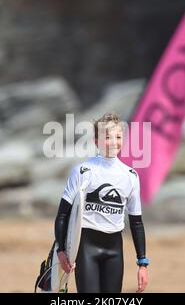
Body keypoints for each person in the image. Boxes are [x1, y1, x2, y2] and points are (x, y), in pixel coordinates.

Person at [54, 113, 149, 293]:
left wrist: (142, 263)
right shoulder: (83, 172)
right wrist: (61, 250)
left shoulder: (130, 176)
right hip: (85, 248)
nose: (113, 142)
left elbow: (136, 223)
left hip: (114, 249)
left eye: (118, 137)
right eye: (107, 137)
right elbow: (63, 215)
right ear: (96, 141)